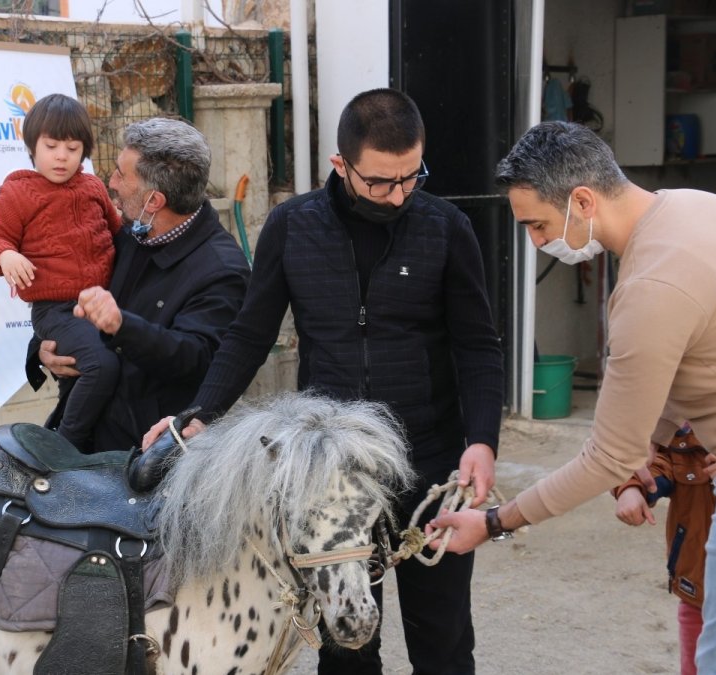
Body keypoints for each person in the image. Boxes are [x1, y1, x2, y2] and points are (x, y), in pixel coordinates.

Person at [429, 120, 716, 674]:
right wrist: (649, 440)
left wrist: (494, 522)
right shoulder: (696, 207)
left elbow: (607, 458)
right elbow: (689, 363)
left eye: (537, 224)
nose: (535, 242)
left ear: (583, 201)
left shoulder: (651, 286)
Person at [145, 88, 506, 674]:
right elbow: (250, 332)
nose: (400, 194)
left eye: (412, 177)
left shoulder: (447, 228)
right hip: (329, 475)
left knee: (442, 641)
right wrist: (200, 412)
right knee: (345, 649)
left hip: (429, 460)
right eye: (381, 182)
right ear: (341, 164)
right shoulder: (292, 226)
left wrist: (483, 440)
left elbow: (478, 346)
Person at [26, 117, 250, 452]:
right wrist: (43, 348)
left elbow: (197, 359)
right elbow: (67, 293)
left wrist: (121, 326)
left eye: (121, 174)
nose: (111, 182)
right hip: (82, 440)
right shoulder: (127, 231)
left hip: (147, 459)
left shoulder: (222, 270)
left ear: (153, 201)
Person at [0, 94, 123, 450]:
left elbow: (118, 232)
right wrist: (6, 254)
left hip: (100, 304)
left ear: (84, 150)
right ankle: (63, 446)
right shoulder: (19, 192)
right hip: (56, 311)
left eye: (72, 148)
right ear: (32, 146)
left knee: (87, 375)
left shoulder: (93, 187)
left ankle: (75, 444)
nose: (61, 156)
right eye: (51, 146)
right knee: (101, 365)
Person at [614, 423, 716, 675]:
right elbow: (658, 459)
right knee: (696, 666)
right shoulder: (683, 427)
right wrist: (631, 488)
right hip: (699, 588)